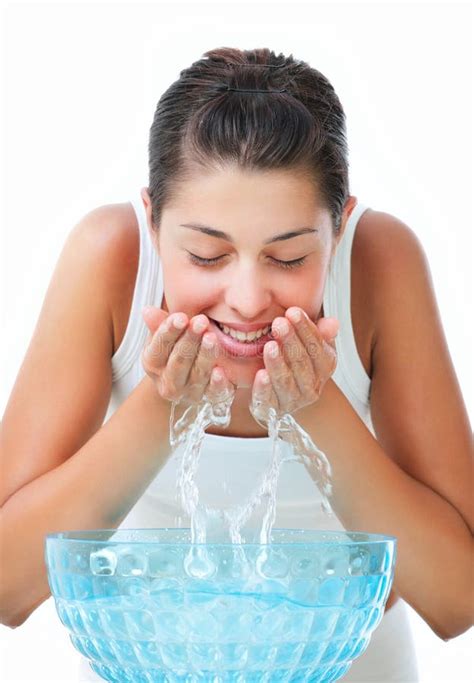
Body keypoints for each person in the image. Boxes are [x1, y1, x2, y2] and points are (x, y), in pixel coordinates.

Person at [1, 46, 472, 682]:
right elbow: (7, 588)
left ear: (339, 229)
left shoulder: (380, 265)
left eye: (288, 259)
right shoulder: (111, 258)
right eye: (203, 254)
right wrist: (162, 406)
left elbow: (456, 601)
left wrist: (313, 408)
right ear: (152, 220)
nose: (248, 300)